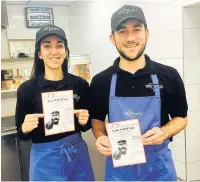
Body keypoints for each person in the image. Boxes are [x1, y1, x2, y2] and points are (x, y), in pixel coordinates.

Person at [90, 5, 188, 181]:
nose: (130, 38)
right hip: (119, 169)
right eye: (122, 31)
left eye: (136, 29)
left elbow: (181, 118)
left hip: (159, 168)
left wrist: (164, 132)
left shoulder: (168, 75)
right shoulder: (101, 81)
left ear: (147, 33)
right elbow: (96, 120)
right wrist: (101, 137)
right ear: (112, 38)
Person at [15, 24, 95, 181]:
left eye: (59, 46)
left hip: (77, 155)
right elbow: (20, 134)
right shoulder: (27, 89)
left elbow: (87, 126)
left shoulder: (80, 85)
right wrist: (24, 128)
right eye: (47, 46)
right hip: (44, 161)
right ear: (39, 53)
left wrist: (85, 122)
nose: (54, 51)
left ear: (65, 51)